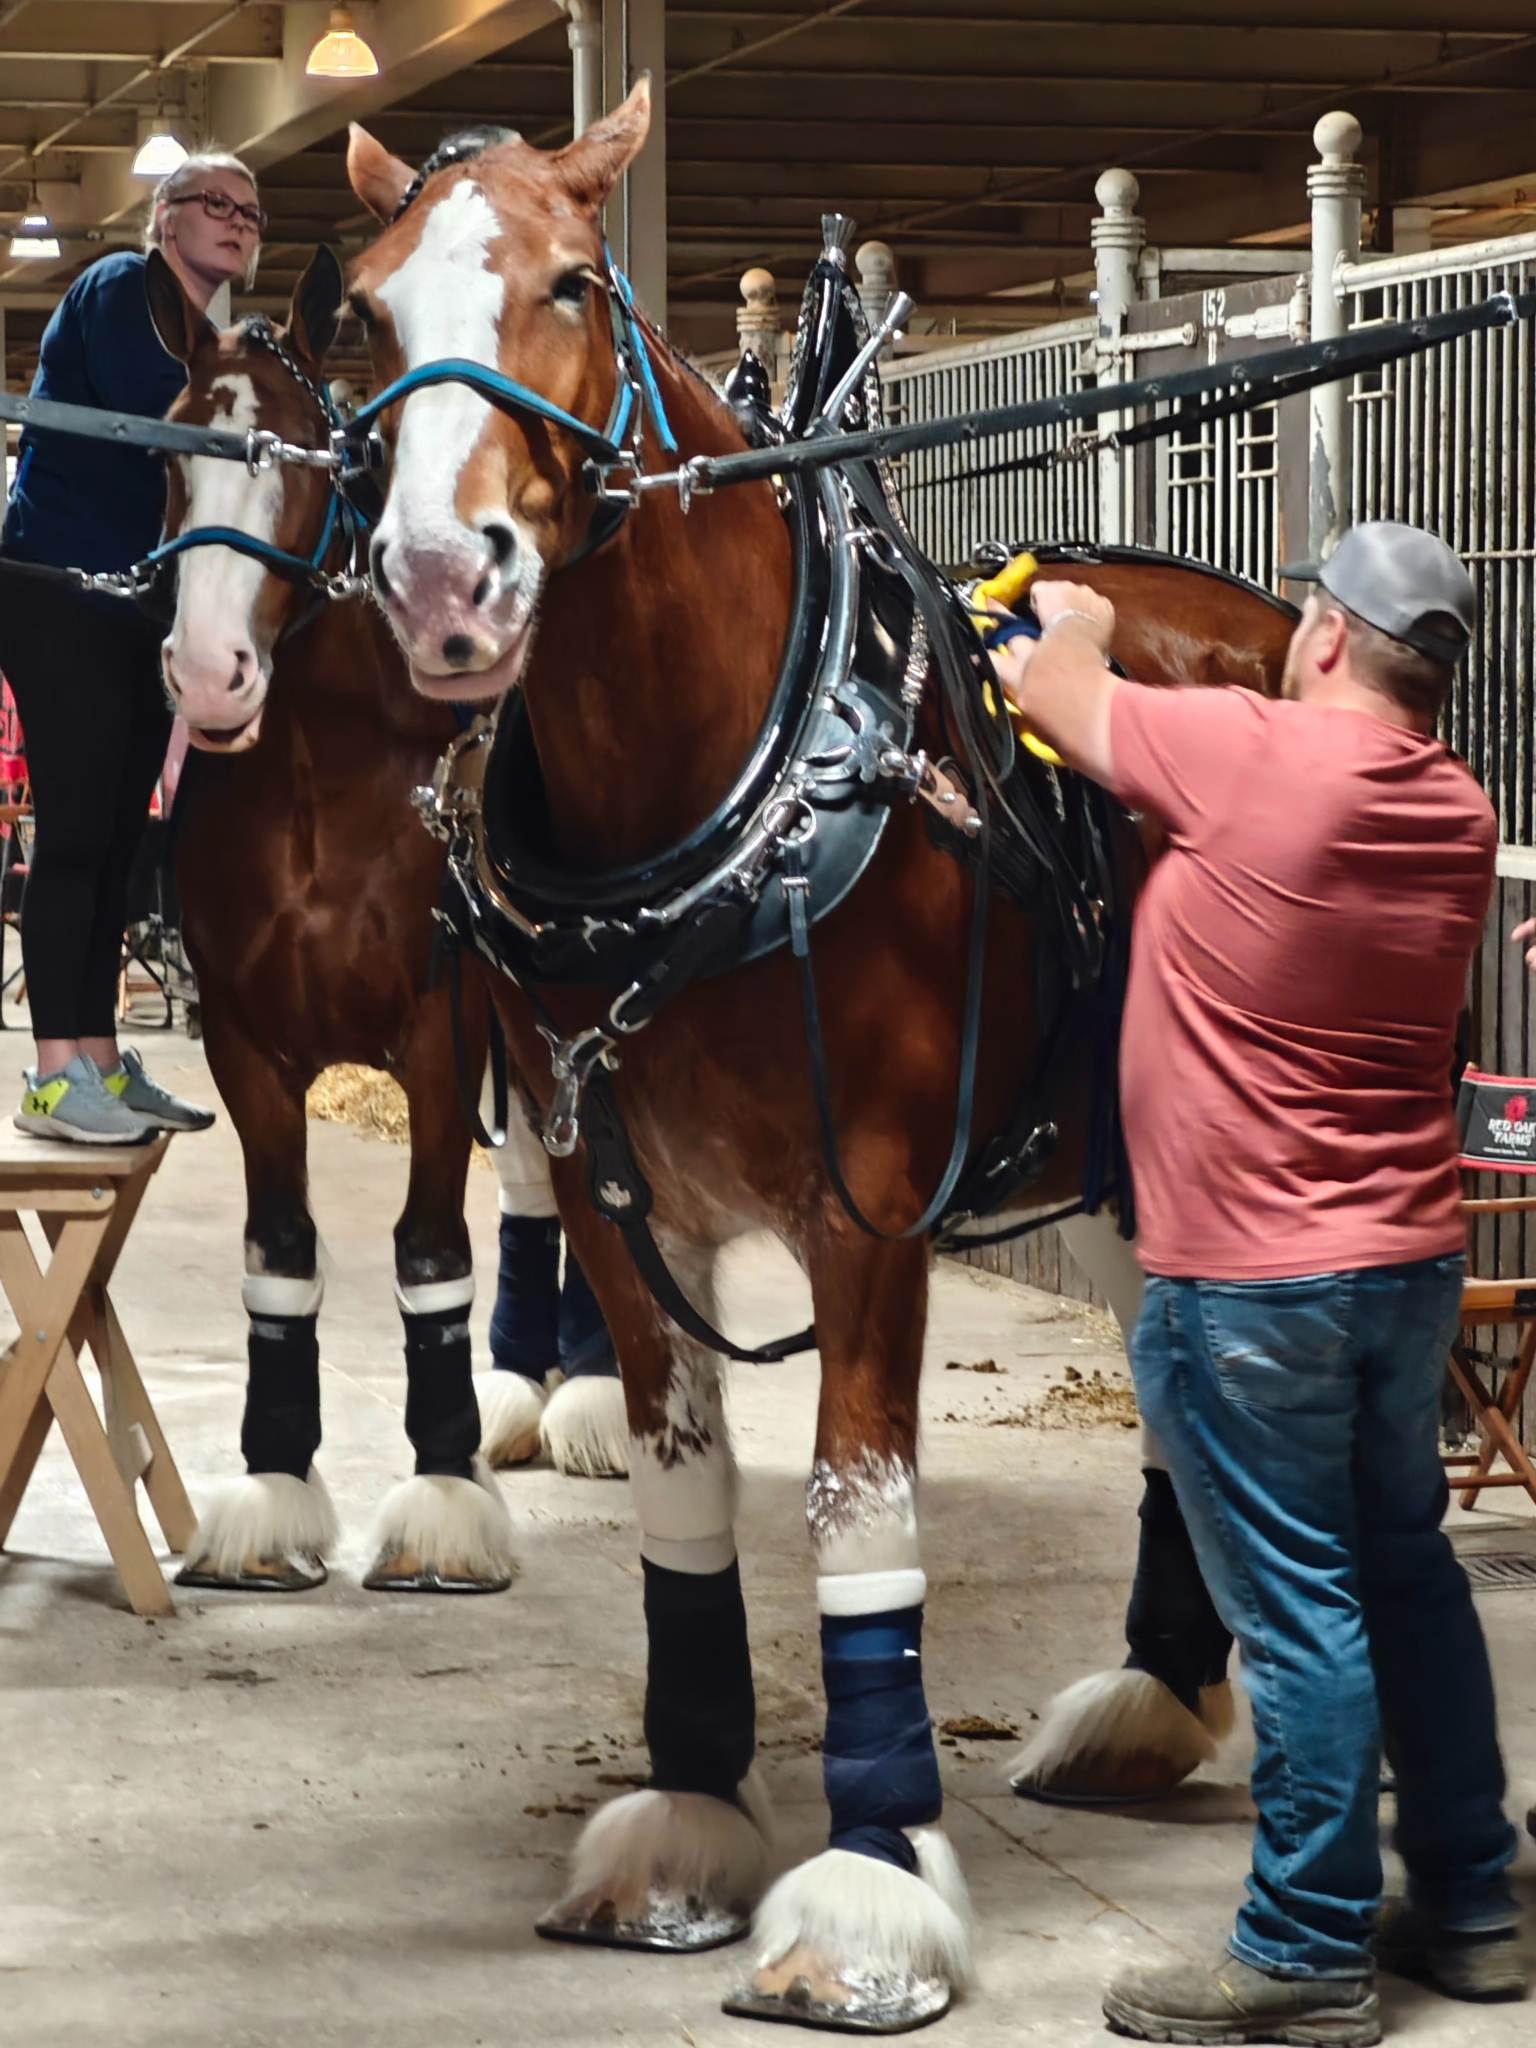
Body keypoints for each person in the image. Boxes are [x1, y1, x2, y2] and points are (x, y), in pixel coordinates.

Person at [988, 523, 1522, 2045]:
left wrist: (1074, 615)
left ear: (1330, 636)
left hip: (1249, 1286)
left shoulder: (1244, 753)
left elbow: (1047, 690)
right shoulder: (1459, 806)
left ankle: (1304, 1944)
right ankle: (1472, 1904)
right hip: (1406, 1264)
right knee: (1407, 1573)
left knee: (1297, 1613)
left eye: (1302, 616)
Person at [0, 152, 264, 1142]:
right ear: (166, 219)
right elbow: (163, 411)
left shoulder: (209, 337)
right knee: (75, 835)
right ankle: (52, 1078)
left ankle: (100, 1062)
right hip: (60, 591)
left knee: (117, 839)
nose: (236, 220)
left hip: (138, 606)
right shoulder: (122, 288)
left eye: (251, 212)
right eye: (216, 204)